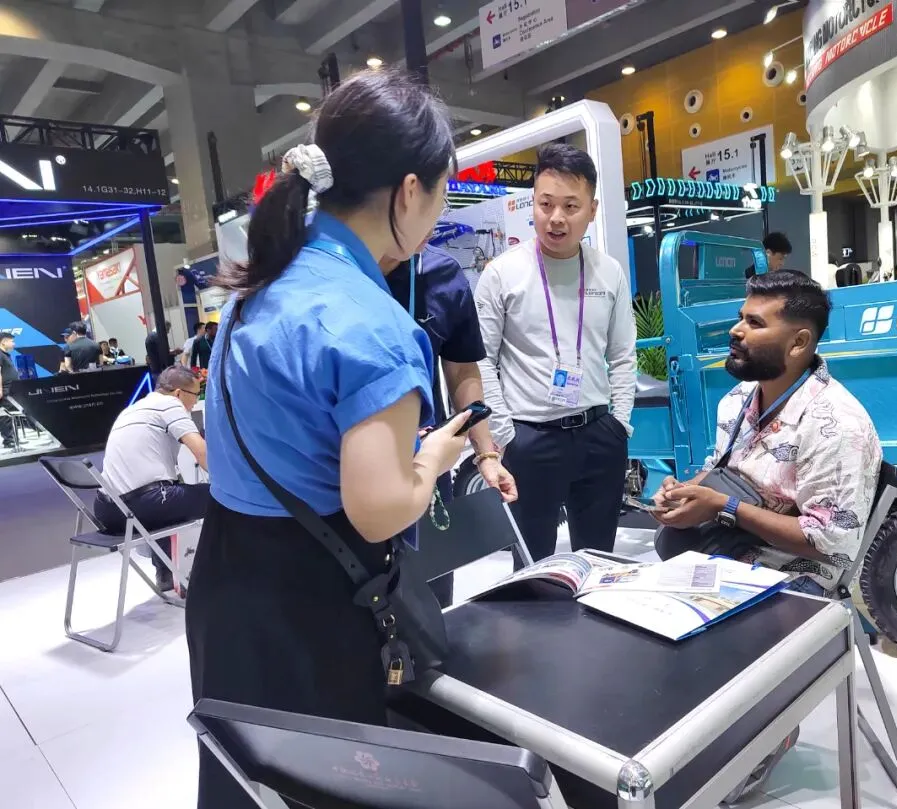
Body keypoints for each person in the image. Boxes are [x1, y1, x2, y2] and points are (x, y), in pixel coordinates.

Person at [185, 69, 469, 809]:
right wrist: (434, 457)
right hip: (311, 603)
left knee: (242, 781)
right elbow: (378, 510)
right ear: (409, 191)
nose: (438, 212)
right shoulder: (373, 325)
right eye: (442, 193)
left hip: (226, 577)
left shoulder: (255, 288)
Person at [652, 271, 881, 595]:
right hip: (723, 554)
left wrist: (723, 507)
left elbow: (831, 543)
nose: (735, 330)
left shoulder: (837, 425)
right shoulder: (737, 399)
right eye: (741, 318)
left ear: (798, 343)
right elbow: (719, 469)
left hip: (792, 581)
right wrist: (683, 491)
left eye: (755, 323)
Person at [475, 142, 636, 565]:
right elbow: (482, 360)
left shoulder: (609, 272)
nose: (556, 218)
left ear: (592, 209)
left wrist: (619, 424)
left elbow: (623, 354)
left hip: (599, 434)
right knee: (532, 566)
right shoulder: (502, 274)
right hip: (531, 439)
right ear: (533, 203)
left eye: (570, 206)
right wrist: (507, 435)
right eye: (545, 204)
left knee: (599, 562)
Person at [382, 240, 518, 606]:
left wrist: (486, 454)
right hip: (352, 467)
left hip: (429, 465)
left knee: (432, 599)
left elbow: (461, 369)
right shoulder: (335, 270)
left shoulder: (441, 273)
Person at [93, 366, 209, 591]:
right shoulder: (170, 405)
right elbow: (202, 453)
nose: (195, 402)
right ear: (178, 393)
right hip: (142, 505)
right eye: (195, 395)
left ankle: (167, 572)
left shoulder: (131, 410)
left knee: (172, 496)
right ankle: (214, 570)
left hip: (107, 511)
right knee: (219, 496)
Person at [0, 332, 18, 450]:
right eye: (12, 341)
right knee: (5, 416)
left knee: (10, 415)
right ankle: (9, 441)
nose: (14, 344)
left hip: (10, 390)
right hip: (5, 390)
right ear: (3, 342)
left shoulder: (5, 355)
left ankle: (13, 438)